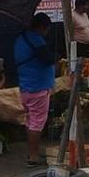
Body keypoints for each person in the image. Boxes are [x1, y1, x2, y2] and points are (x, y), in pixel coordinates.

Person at [15, 13, 57, 168]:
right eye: (46, 29)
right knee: (37, 123)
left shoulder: (21, 39)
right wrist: (56, 58)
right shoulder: (35, 39)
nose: (46, 32)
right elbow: (47, 58)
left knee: (31, 121)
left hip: (26, 88)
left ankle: (33, 152)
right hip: (37, 87)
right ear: (41, 27)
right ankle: (33, 156)